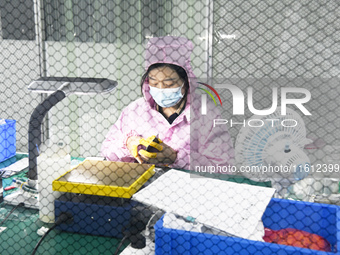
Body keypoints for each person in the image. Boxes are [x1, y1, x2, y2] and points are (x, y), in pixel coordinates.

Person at [101, 36, 234, 171]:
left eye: (169, 84)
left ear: (186, 82)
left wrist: (176, 158)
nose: (161, 89)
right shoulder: (135, 111)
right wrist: (128, 144)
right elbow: (107, 150)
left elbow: (224, 167)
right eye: (154, 83)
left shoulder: (206, 114)